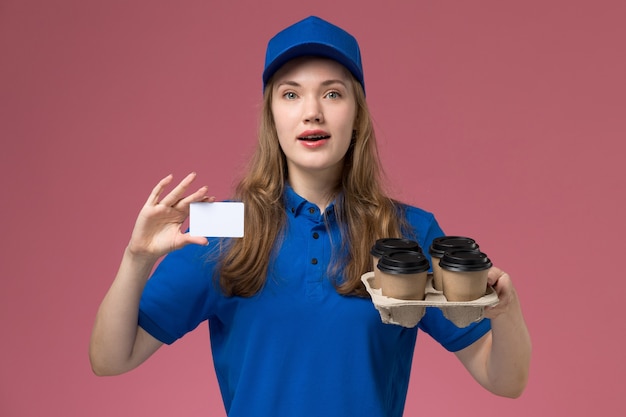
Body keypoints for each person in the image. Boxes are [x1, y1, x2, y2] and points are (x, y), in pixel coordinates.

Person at [89, 15, 531, 416]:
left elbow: (506, 381)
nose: (311, 111)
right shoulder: (220, 224)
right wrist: (137, 260)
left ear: (356, 115)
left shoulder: (408, 233)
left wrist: (505, 310)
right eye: (291, 94)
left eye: (333, 93)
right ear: (272, 116)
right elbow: (110, 359)